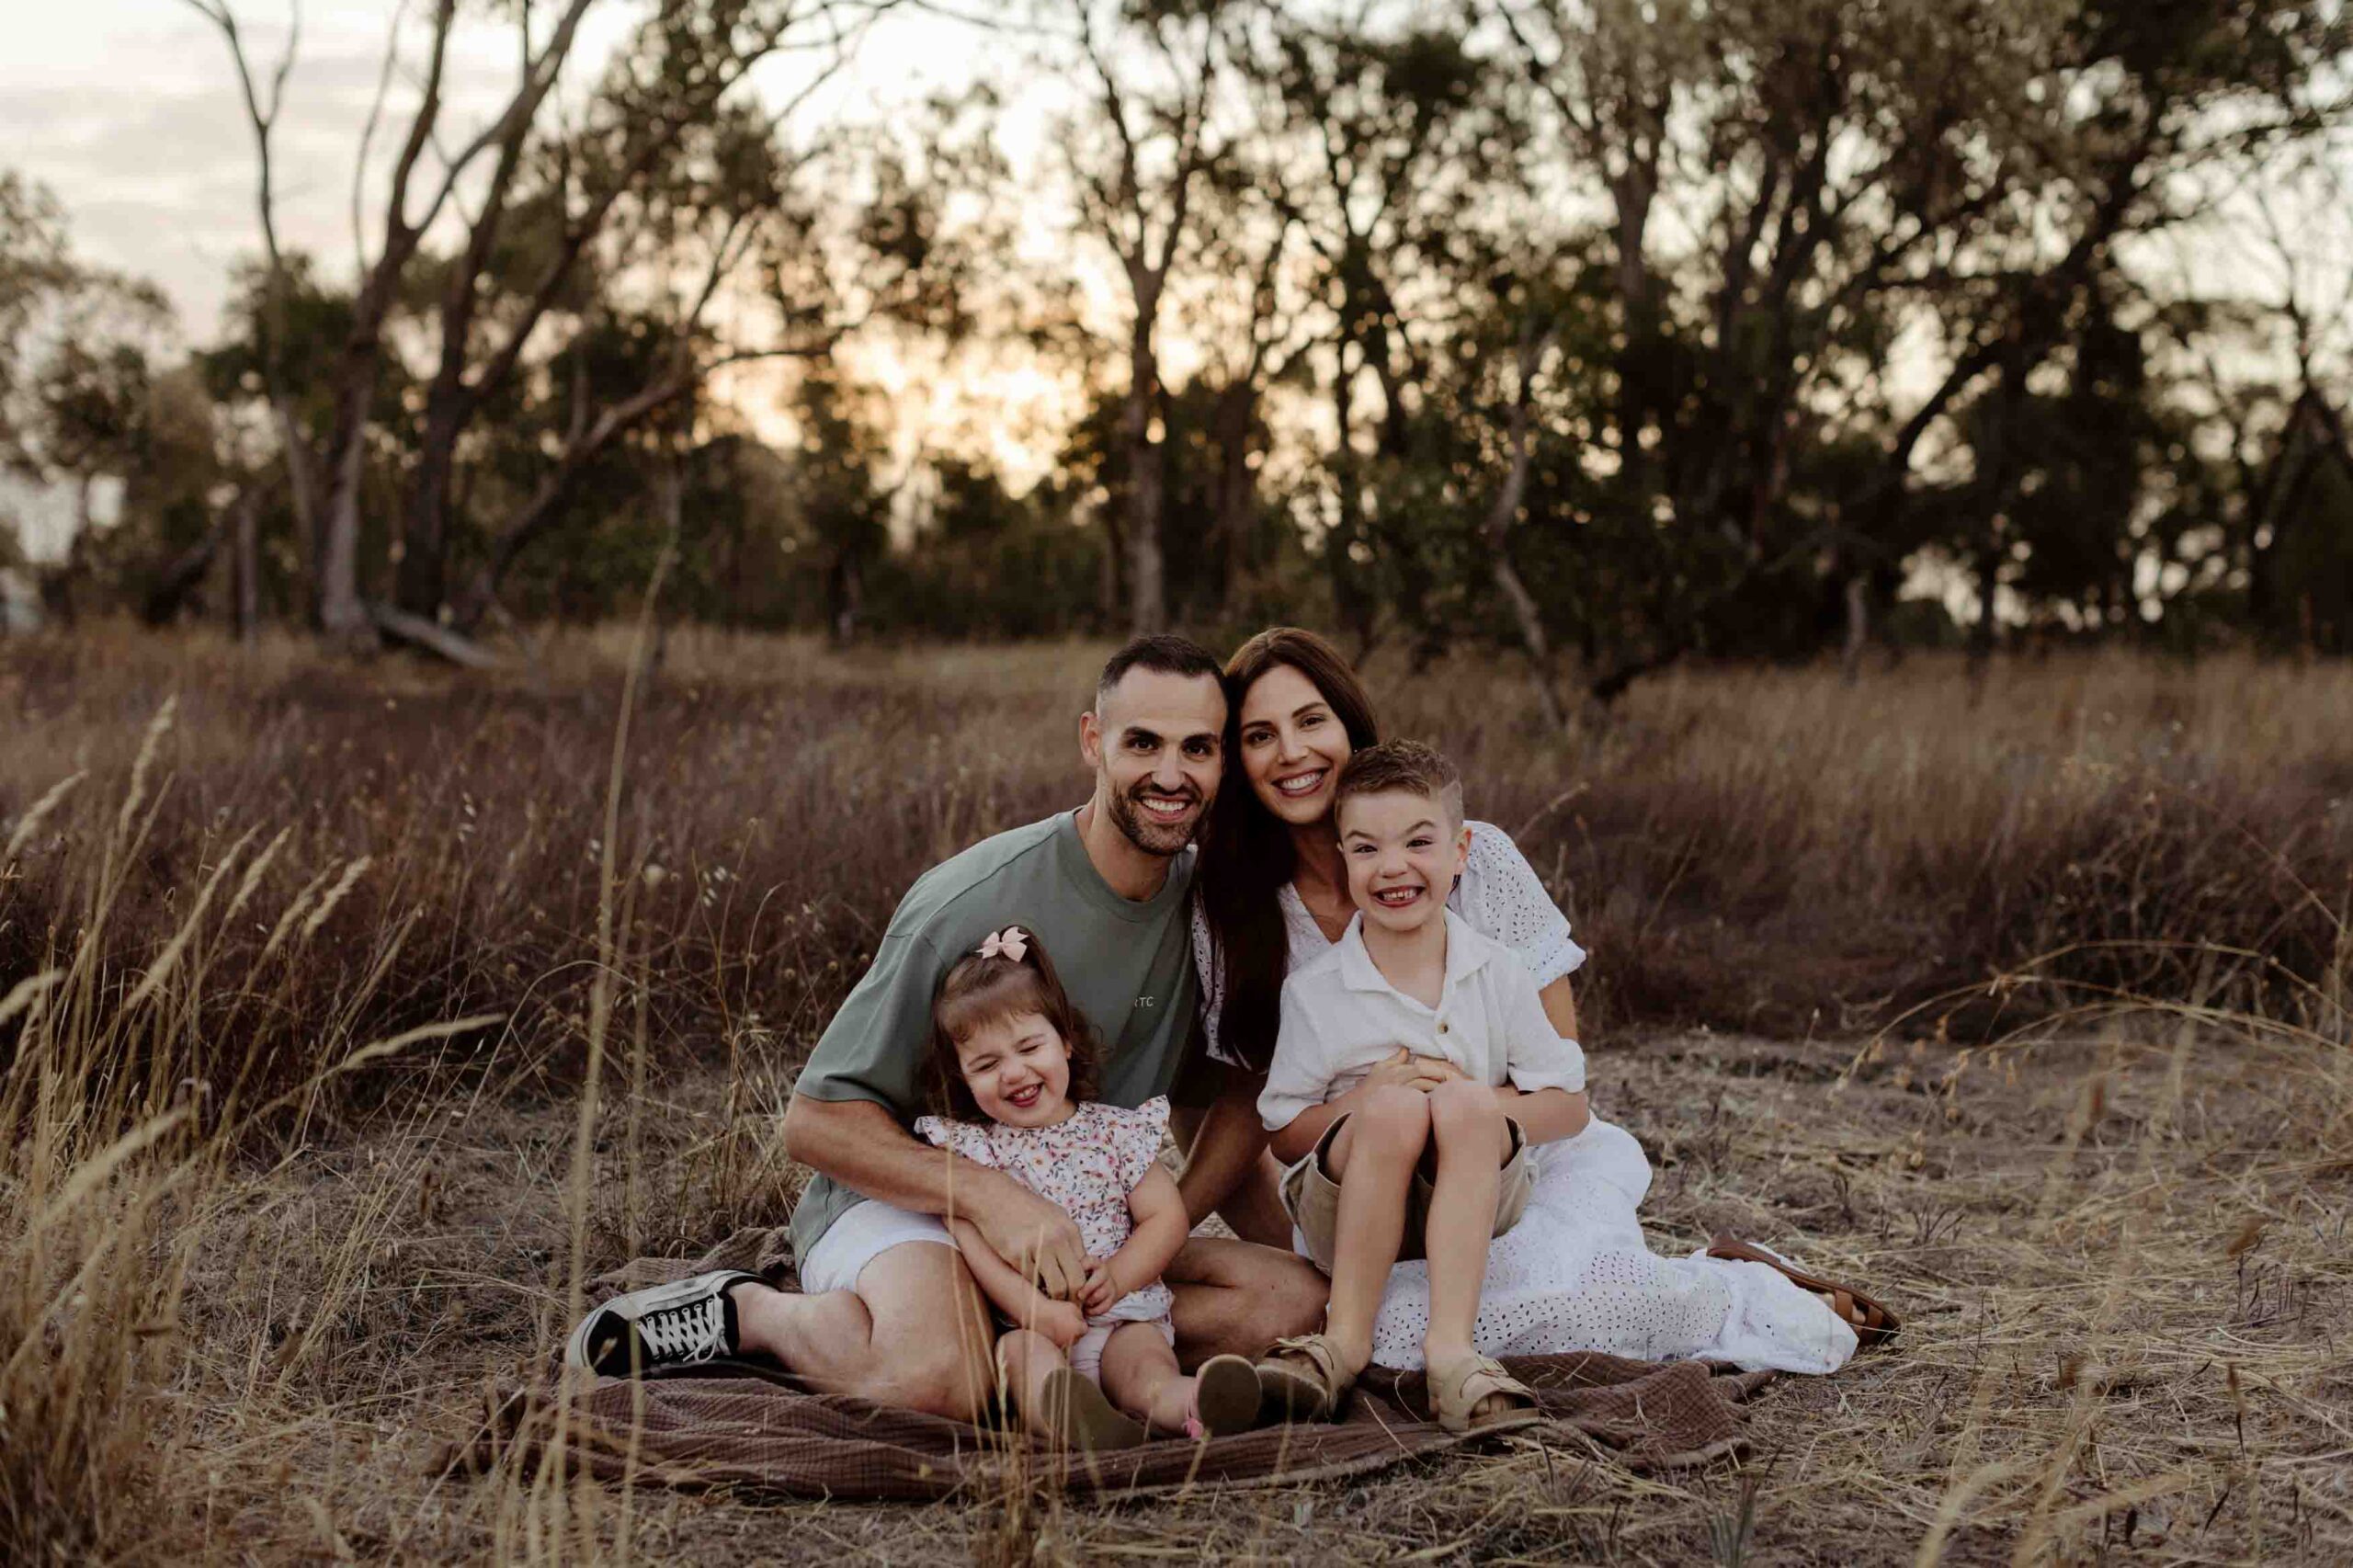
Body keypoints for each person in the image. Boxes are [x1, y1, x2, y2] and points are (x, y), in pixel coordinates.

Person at [567, 635, 1326, 1420]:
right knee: (937, 1382)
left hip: (1085, 1228)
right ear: (1093, 742)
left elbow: (1222, 1099)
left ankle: (1053, 1358)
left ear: (1222, 764)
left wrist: (1153, 1240)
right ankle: (761, 1315)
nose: (1171, 775)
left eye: (1196, 748)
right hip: (921, 1203)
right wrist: (992, 1199)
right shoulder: (972, 902)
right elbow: (814, 1123)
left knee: (1289, 1304)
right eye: (1143, 743)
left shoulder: (1210, 914)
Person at [1190, 628, 1894, 1378]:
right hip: (1364, 1189)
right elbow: (1255, 1113)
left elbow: (1560, 1079)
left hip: (1524, 1163)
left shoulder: (1476, 859)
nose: (1292, 752)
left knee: (1545, 1306)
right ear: (1238, 763)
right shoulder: (1234, 910)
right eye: (1260, 735)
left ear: (1349, 723)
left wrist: (1458, 1115)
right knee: (1388, 1330)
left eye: (1310, 720)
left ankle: (1741, 1288)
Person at [1253, 743, 1592, 1433]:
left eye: (1419, 842)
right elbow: (1284, 1133)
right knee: (1396, 1109)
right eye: (1367, 848)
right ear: (1343, 860)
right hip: (1343, 1201)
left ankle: (1452, 1355)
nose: (1394, 866)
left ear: (1461, 852)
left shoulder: (1495, 971)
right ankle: (1343, 1343)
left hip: (1471, 1191)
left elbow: (1570, 1105)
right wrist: (1363, 1105)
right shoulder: (1316, 993)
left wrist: (1468, 1102)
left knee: (1465, 1102)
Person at [914, 925, 1261, 1449]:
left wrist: (1121, 1276)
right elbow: (973, 1244)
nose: (1014, 1073)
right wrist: (1035, 1312)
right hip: (1027, 1325)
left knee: (1147, 1368)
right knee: (1021, 1361)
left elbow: (1165, 1218)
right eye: (986, 1064)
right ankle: (1075, 1421)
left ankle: (1194, 1405)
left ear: (1066, 1042)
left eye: (1029, 1046)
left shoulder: (1113, 1132)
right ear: (962, 1079)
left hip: (1123, 1316)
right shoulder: (975, 1152)